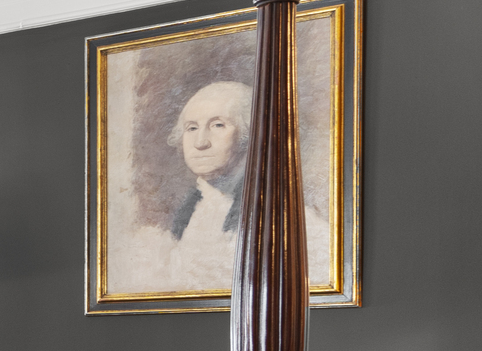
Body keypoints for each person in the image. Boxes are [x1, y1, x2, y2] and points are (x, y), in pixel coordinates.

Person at [130, 77, 332, 294]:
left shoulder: (288, 221)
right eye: (191, 128)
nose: (200, 142)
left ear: (250, 134)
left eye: (218, 125)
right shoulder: (181, 218)